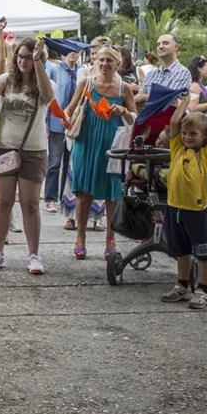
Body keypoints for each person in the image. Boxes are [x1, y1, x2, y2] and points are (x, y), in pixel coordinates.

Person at [0, 38, 54, 275]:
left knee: (30, 204)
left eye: (28, 57)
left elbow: (47, 95)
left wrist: (39, 61)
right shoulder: (7, 79)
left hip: (33, 149)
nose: (23, 61)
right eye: (20, 56)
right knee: (2, 203)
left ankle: (33, 255)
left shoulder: (44, 80)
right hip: (4, 148)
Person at [64, 46, 138, 260]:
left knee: (111, 192)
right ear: (96, 61)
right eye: (102, 60)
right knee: (83, 191)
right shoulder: (87, 83)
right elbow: (69, 108)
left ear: (118, 64)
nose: (105, 64)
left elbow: (134, 117)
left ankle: (110, 238)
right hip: (86, 142)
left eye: (109, 61)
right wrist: (64, 117)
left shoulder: (124, 88)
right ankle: (80, 237)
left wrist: (123, 110)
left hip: (112, 144)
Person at [159, 95, 207, 309]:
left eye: (193, 134)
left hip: (196, 210)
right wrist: (184, 103)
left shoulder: (206, 153)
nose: (187, 137)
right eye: (185, 133)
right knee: (181, 251)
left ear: (205, 136)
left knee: (203, 252)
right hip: (174, 207)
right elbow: (175, 123)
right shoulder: (177, 147)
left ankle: (203, 289)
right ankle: (182, 285)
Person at [133, 34, 192, 144]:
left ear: (176, 47)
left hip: (166, 130)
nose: (160, 46)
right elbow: (139, 101)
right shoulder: (152, 74)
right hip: (144, 126)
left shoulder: (183, 73)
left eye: (165, 43)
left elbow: (170, 101)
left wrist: (145, 97)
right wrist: (147, 98)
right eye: (158, 44)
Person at [45, 49, 80, 214]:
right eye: (70, 51)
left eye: (77, 52)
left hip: (74, 123)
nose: (73, 54)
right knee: (54, 162)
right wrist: (45, 120)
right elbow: (48, 95)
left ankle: (64, 198)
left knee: (69, 163)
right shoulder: (55, 69)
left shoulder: (81, 71)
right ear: (63, 54)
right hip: (56, 122)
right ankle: (50, 199)